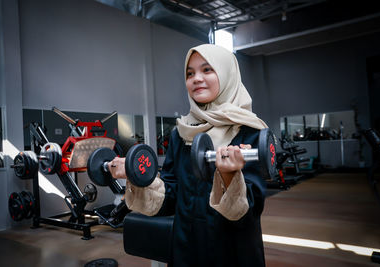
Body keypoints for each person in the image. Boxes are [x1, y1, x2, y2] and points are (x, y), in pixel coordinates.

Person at [109, 44, 269, 267]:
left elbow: (251, 208)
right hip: (186, 246)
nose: (196, 79)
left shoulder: (249, 130)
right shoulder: (181, 132)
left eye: (207, 70)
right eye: (190, 73)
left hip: (232, 249)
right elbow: (171, 193)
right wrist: (137, 177)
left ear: (226, 73)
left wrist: (230, 176)